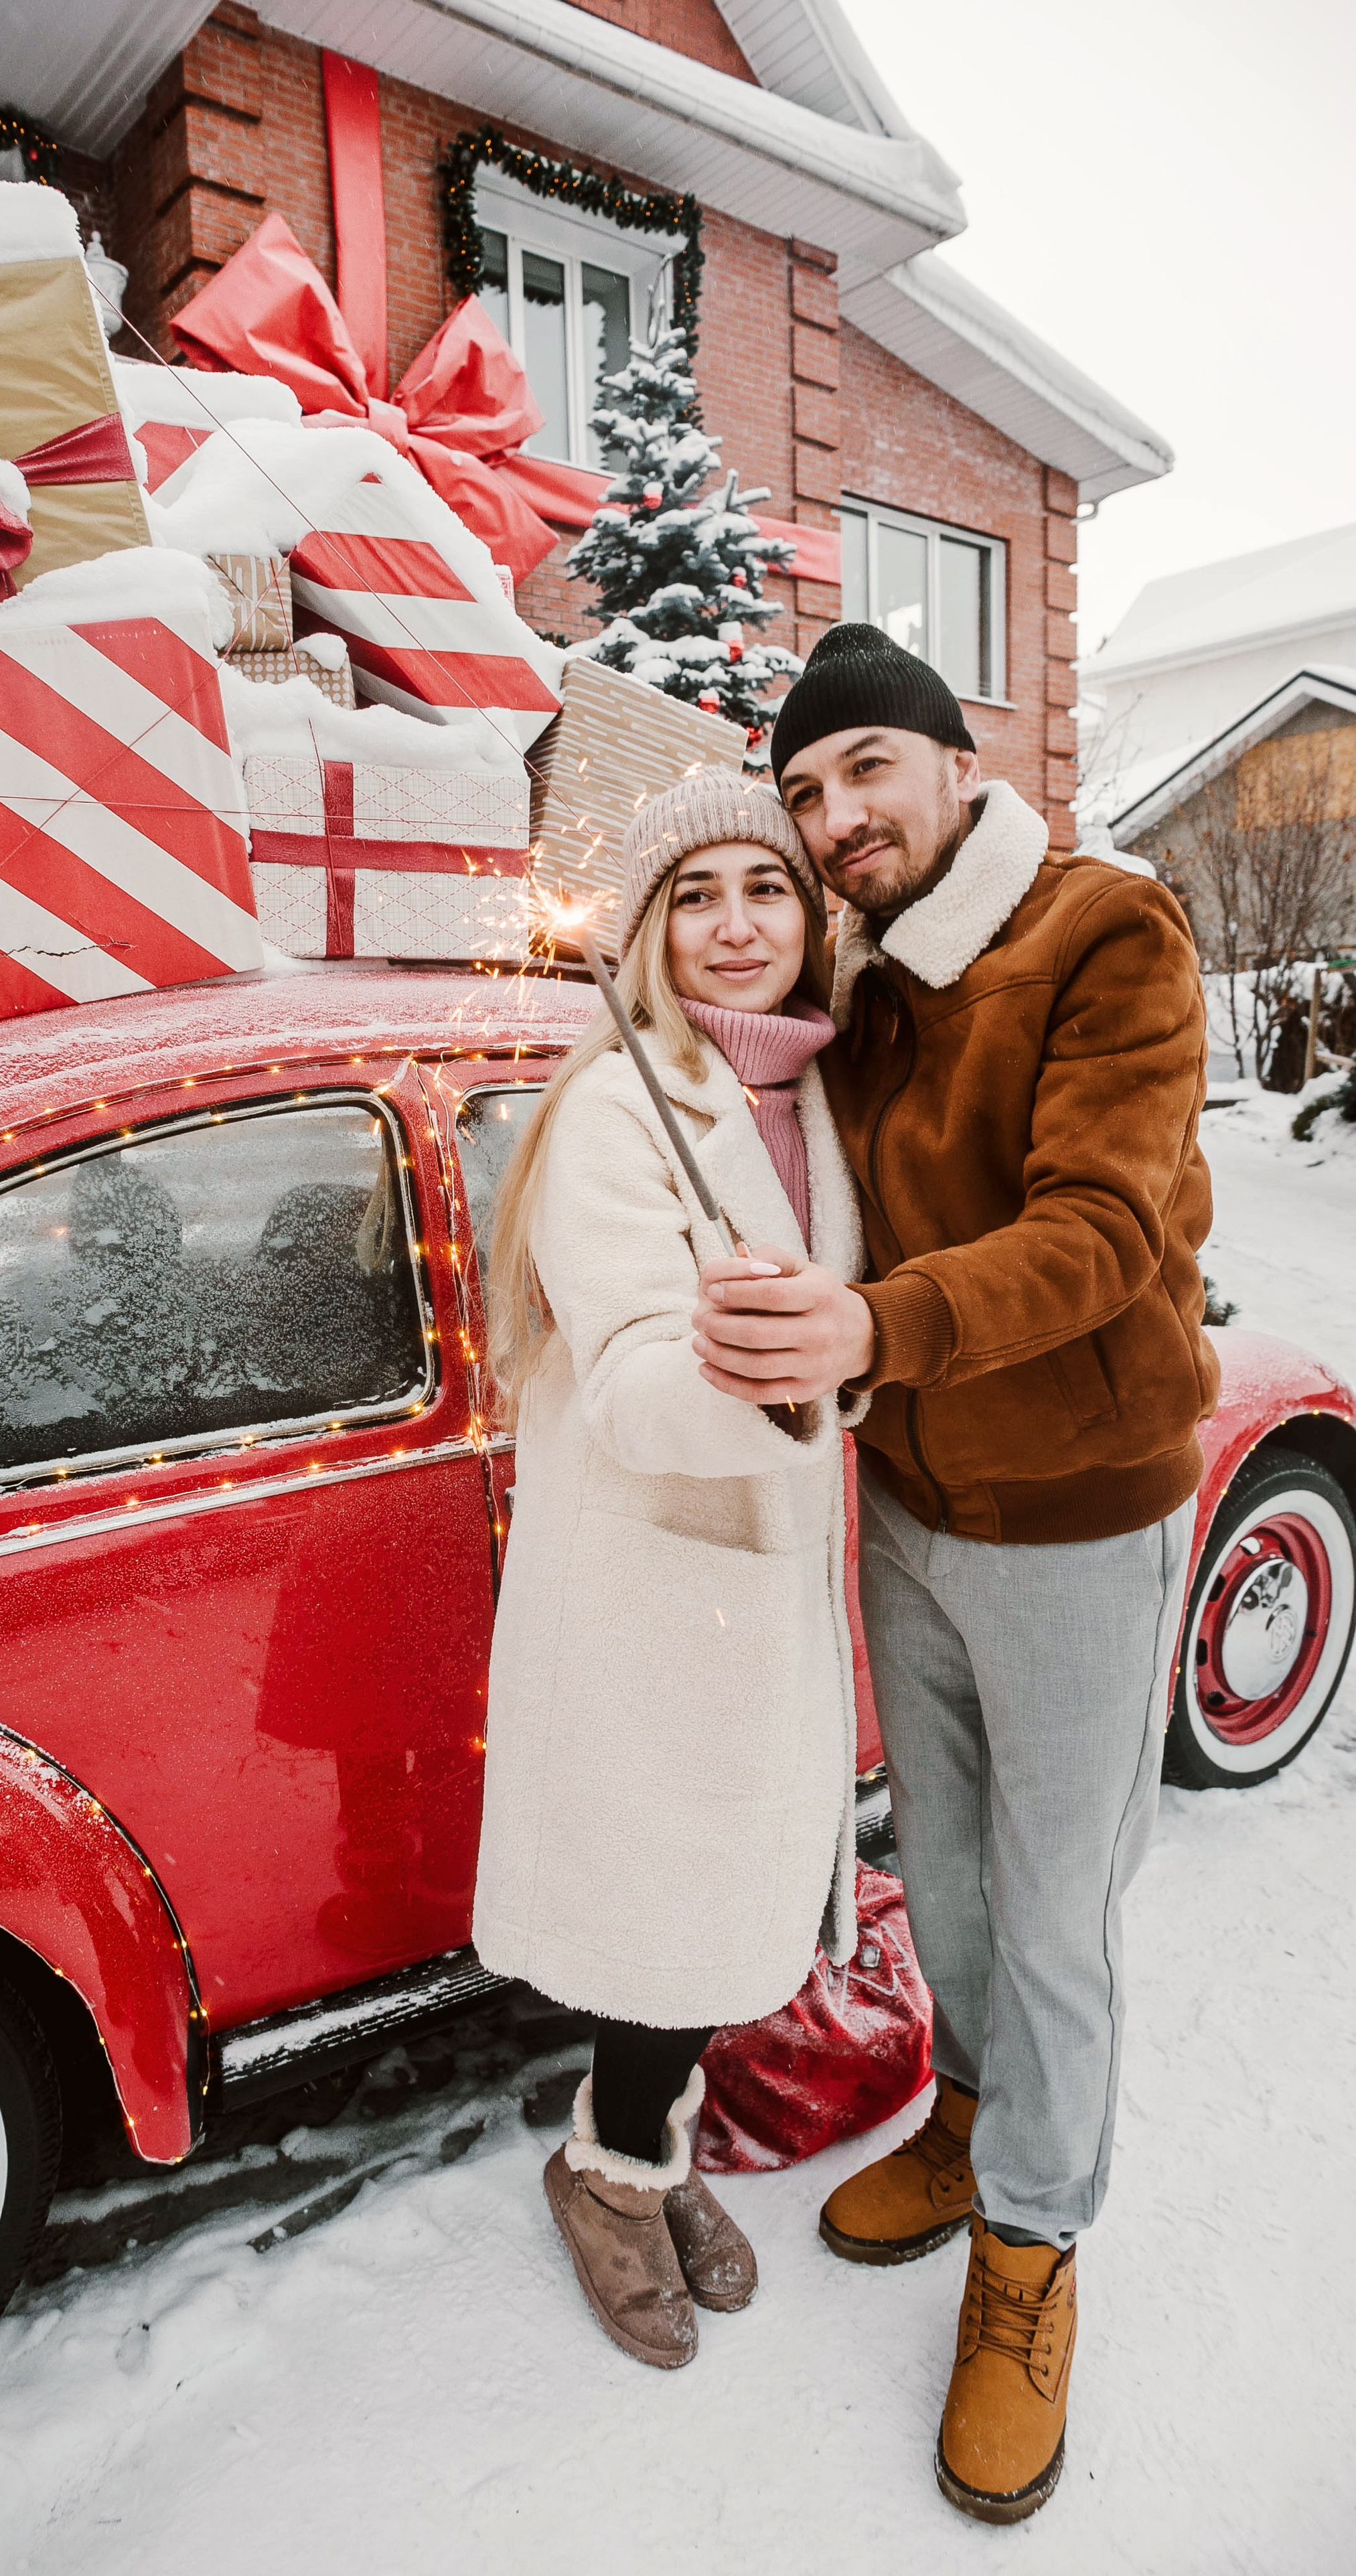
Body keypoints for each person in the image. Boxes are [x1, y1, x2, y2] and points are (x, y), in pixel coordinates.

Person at [691, 621, 1215, 2522]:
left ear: (957, 765)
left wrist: (872, 1330)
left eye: (866, 771)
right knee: (950, 1867)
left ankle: (1033, 2246)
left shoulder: (1102, 934)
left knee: (1059, 1909)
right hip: (913, 1503)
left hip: (1076, 1513)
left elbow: (1098, 1229)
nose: (836, 816)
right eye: (806, 790)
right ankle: (973, 2114)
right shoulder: (870, 976)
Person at [473, 767, 871, 2370]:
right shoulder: (614, 1109)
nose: (734, 924)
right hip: (659, 1573)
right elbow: (636, 1372)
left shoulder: (817, 1092)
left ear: (808, 919)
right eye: (693, 895)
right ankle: (610, 2173)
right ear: (646, 932)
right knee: (664, 1913)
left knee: (724, 1898)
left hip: (768, 1568)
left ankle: (650, 2141)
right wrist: (765, 1371)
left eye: (763, 888)